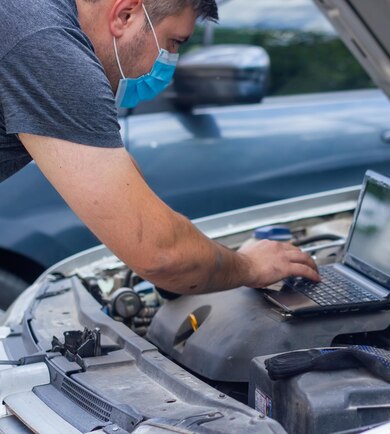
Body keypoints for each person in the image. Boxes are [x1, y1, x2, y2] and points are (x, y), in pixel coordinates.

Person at [0, 0, 320, 295]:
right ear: (125, 15)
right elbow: (160, 254)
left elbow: (120, 179)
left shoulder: (33, 19)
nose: (170, 64)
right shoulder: (48, 47)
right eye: (174, 42)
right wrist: (250, 266)